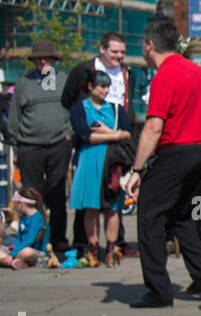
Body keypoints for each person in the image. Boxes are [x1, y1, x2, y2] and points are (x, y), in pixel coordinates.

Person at [122, 19, 201, 308]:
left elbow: (153, 126)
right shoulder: (199, 72)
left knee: (150, 214)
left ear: (149, 45)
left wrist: (137, 170)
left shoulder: (165, 74)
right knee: (184, 214)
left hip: (177, 151)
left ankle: (158, 291)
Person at [63, 32, 139, 258]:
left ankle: (116, 245)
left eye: (123, 52)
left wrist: (110, 133)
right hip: (81, 152)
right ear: (102, 49)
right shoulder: (78, 72)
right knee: (88, 204)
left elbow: (125, 127)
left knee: (113, 204)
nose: (119, 56)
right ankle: (81, 245)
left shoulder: (127, 73)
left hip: (114, 155)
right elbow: (66, 100)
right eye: (115, 52)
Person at [11, 41, 73, 253]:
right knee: (32, 196)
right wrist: (16, 145)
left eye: (47, 58)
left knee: (57, 194)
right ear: (34, 60)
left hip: (58, 145)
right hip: (30, 146)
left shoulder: (63, 81)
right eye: (39, 58)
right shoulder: (24, 83)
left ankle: (57, 239)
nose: (43, 61)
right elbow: (14, 117)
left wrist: (69, 134)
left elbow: (74, 109)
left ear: (53, 61)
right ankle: (33, 240)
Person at [68, 71, 130, 267]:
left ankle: (111, 248)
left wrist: (105, 131)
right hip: (89, 158)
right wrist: (115, 134)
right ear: (89, 86)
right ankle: (93, 248)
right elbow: (85, 135)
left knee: (113, 208)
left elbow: (128, 134)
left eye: (106, 86)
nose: (104, 90)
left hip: (112, 161)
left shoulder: (116, 108)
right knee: (91, 206)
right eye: (100, 86)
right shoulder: (79, 109)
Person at [1, 187, 49, 270]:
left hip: (37, 253)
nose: (13, 205)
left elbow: (29, 240)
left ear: (21, 203)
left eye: (14, 202)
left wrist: (13, 253)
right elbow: (18, 238)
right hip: (19, 250)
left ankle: (10, 260)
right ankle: (14, 262)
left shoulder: (38, 218)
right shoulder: (23, 218)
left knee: (27, 252)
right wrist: (12, 248)